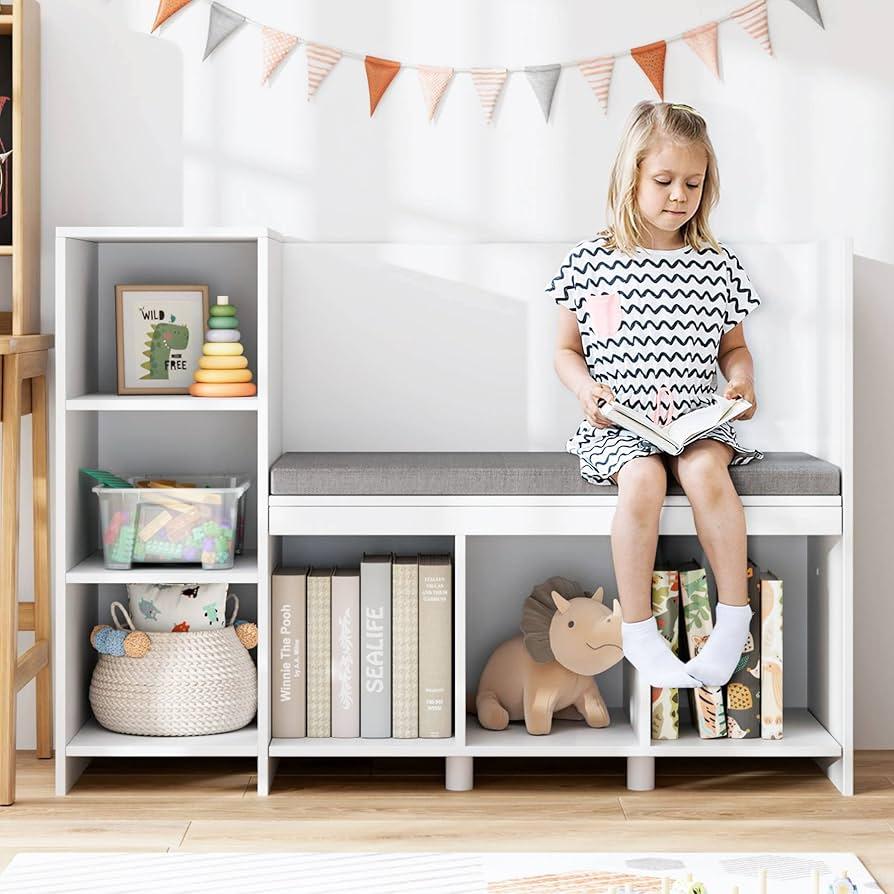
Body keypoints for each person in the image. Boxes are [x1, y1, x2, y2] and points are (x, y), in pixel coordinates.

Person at [548, 100, 762, 689]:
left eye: (693, 183)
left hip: (695, 420)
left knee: (704, 474)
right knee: (642, 479)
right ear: (632, 177)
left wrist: (741, 384)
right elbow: (566, 351)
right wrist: (587, 389)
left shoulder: (715, 265)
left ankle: (733, 616)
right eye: (664, 181)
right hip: (622, 425)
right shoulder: (591, 262)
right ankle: (638, 628)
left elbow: (733, 350)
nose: (679, 196)